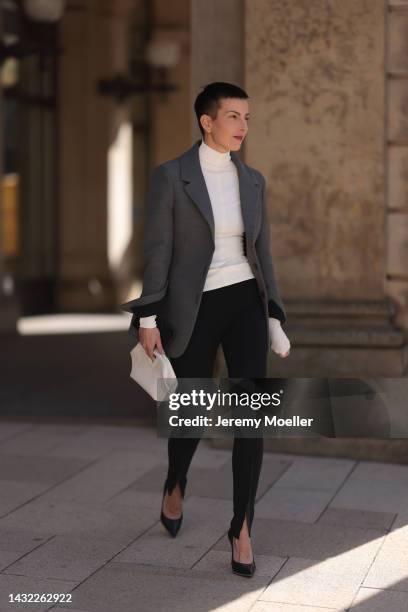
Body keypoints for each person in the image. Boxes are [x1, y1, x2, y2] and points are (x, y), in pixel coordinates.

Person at [123, 82, 290, 577]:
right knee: (190, 414)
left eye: (247, 117)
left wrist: (275, 315)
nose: (242, 126)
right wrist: (148, 317)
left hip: (244, 303)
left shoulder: (253, 180)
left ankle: (241, 527)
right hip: (193, 307)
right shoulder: (172, 177)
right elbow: (158, 251)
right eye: (233, 116)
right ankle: (176, 482)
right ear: (207, 121)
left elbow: (263, 254)